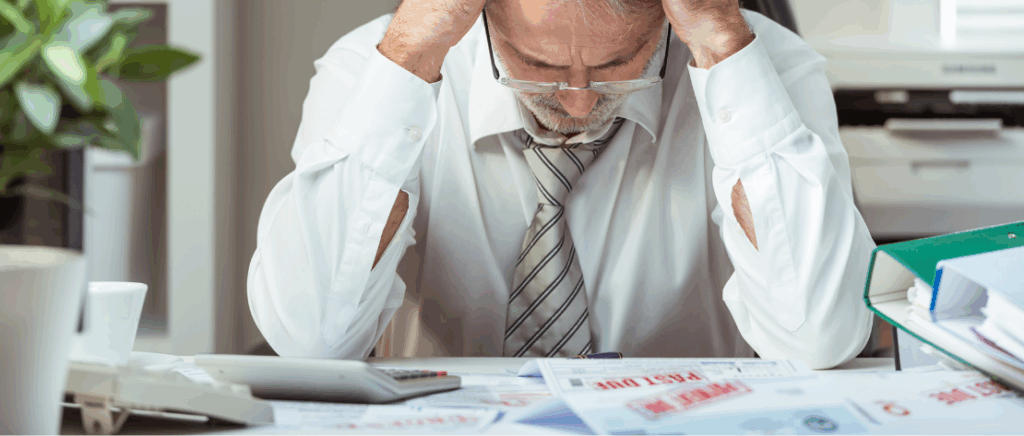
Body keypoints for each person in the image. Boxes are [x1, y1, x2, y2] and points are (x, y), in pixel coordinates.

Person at [247, 0, 876, 369]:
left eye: (616, 65)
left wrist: (722, 46)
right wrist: (410, 60)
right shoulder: (374, 68)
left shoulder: (765, 67)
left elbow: (819, 335)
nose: (577, 103)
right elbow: (311, 339)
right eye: (539, 66)